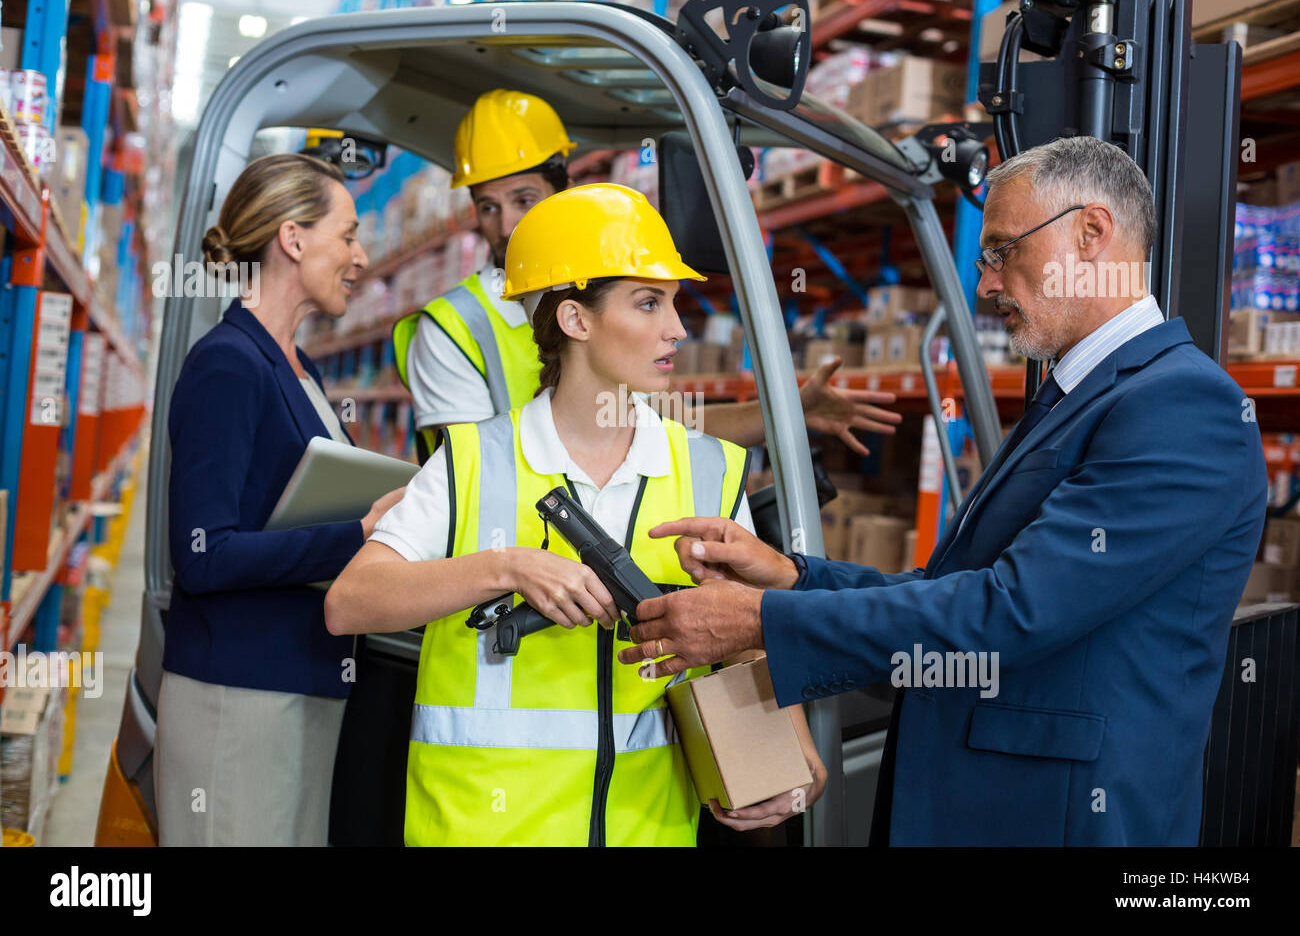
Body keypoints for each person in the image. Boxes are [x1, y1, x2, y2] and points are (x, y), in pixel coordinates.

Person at [617, 136, 1269, 846]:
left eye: (1002, 251)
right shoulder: (1076, 399)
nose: (986, 283)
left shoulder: (1181, 408)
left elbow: (1009, 612)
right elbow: (955, 589)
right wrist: (792, 578)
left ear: (1092, 234)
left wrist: (761, 621)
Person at [326, 183, 826, 845]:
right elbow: (349, 603)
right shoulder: (473, 462)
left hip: (646, 832)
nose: (677, 328)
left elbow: (751, 633)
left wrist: (797, 754)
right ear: (575, 320)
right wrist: (503, 568)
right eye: (648, 303)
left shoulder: (711, 469)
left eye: (673, 304)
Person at [393, 88, 904, 463]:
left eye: (524, 200)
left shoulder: (604, 291)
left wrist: (784, 415)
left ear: (561, 188)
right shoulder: (454, 326)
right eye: (488, 207)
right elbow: (472, 474)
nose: (506, 226)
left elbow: (669, 420)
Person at [157, 154, 405, 846]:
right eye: (347, 235)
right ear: (293, 240)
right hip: (238, 699)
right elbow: (203, 554)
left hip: (304, 681)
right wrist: (358, 533)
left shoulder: (300, 370)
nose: (360, 256)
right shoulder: (229, 363)